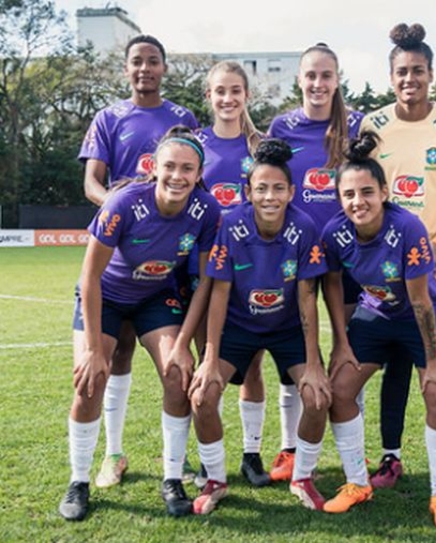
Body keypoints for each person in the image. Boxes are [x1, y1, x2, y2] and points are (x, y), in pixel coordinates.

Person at [58, 127, 221, 521]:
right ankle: (78, 481)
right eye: (170, 167)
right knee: (90, 379)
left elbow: (202, 284)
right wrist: (96, 350)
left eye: (187, 168)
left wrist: (183, 343)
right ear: (154, 168)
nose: (177, 176)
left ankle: (171, 478)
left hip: (155, 298)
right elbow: (90, 278)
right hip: (107, 298)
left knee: (177, 372)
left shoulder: (206, 210)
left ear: (199, 173)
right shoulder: (124, 203)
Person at [359, 23, 436, 498]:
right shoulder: (374, 124)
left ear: (432, 74)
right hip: (389, 271)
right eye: (402, 72)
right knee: (395, 362)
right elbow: (362, 184)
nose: (410, 78)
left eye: (418, 71)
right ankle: (391, 456)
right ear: (392, 78)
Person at [320, 131, 436, 529]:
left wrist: (433, 361)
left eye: (366, 192)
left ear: (384, 192)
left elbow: (419, 300)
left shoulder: (408, 228)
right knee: (340, 391)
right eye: (348, 194)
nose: (357, 201)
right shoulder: (335, 232)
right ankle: (356, 484)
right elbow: (332, 285)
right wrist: (340, 343)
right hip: (376, 314)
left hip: (424, 315)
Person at [77, 34, 199, 489]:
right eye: (136, 62)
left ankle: (177, 461)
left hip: (169, 259)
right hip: (119, 251)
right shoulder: (109, 117)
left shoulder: (182, 118)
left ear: (164, 68)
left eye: (153, 61)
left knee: (173, 359)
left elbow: (193, 171)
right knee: (116, 352)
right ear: (126, 69)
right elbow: (92, 180)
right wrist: (120, 209)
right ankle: (113, 454)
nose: (145, 68)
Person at [188, 139, 330, 515]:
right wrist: (210, 356)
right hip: (238, 326)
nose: (270, 196)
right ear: (247, 191)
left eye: (278, 188)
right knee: (202, 395)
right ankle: (216, 480)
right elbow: (219, 293)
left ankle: (303, 477)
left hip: (286, 328)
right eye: (261, 188)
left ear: (291, 191)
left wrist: (314, 362)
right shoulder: (231, 224)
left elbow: (306, 298)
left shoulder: (304, 227)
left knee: (317, 395)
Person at [266, 42, 363, 482]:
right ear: (299, 80)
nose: (318, 84)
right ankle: (289, 450)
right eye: (311, 76)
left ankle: (351, 459)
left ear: (337, 79)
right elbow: (270, 183)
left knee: (347, 355)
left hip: (348, 257)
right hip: (297, 256)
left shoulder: (358, 125)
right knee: (295, 356)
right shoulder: (282, 125)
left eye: (326, 76)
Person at [192, 60, 272, 488]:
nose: (228, 98)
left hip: (250, 271)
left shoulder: (259, 146)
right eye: (219, 91)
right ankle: (209, 457)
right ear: (209, 96)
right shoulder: (196, 145)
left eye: (235, 90)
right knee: (206, 362)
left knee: (252, 366)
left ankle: (251, 453)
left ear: (247, 96)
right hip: (202, 269)